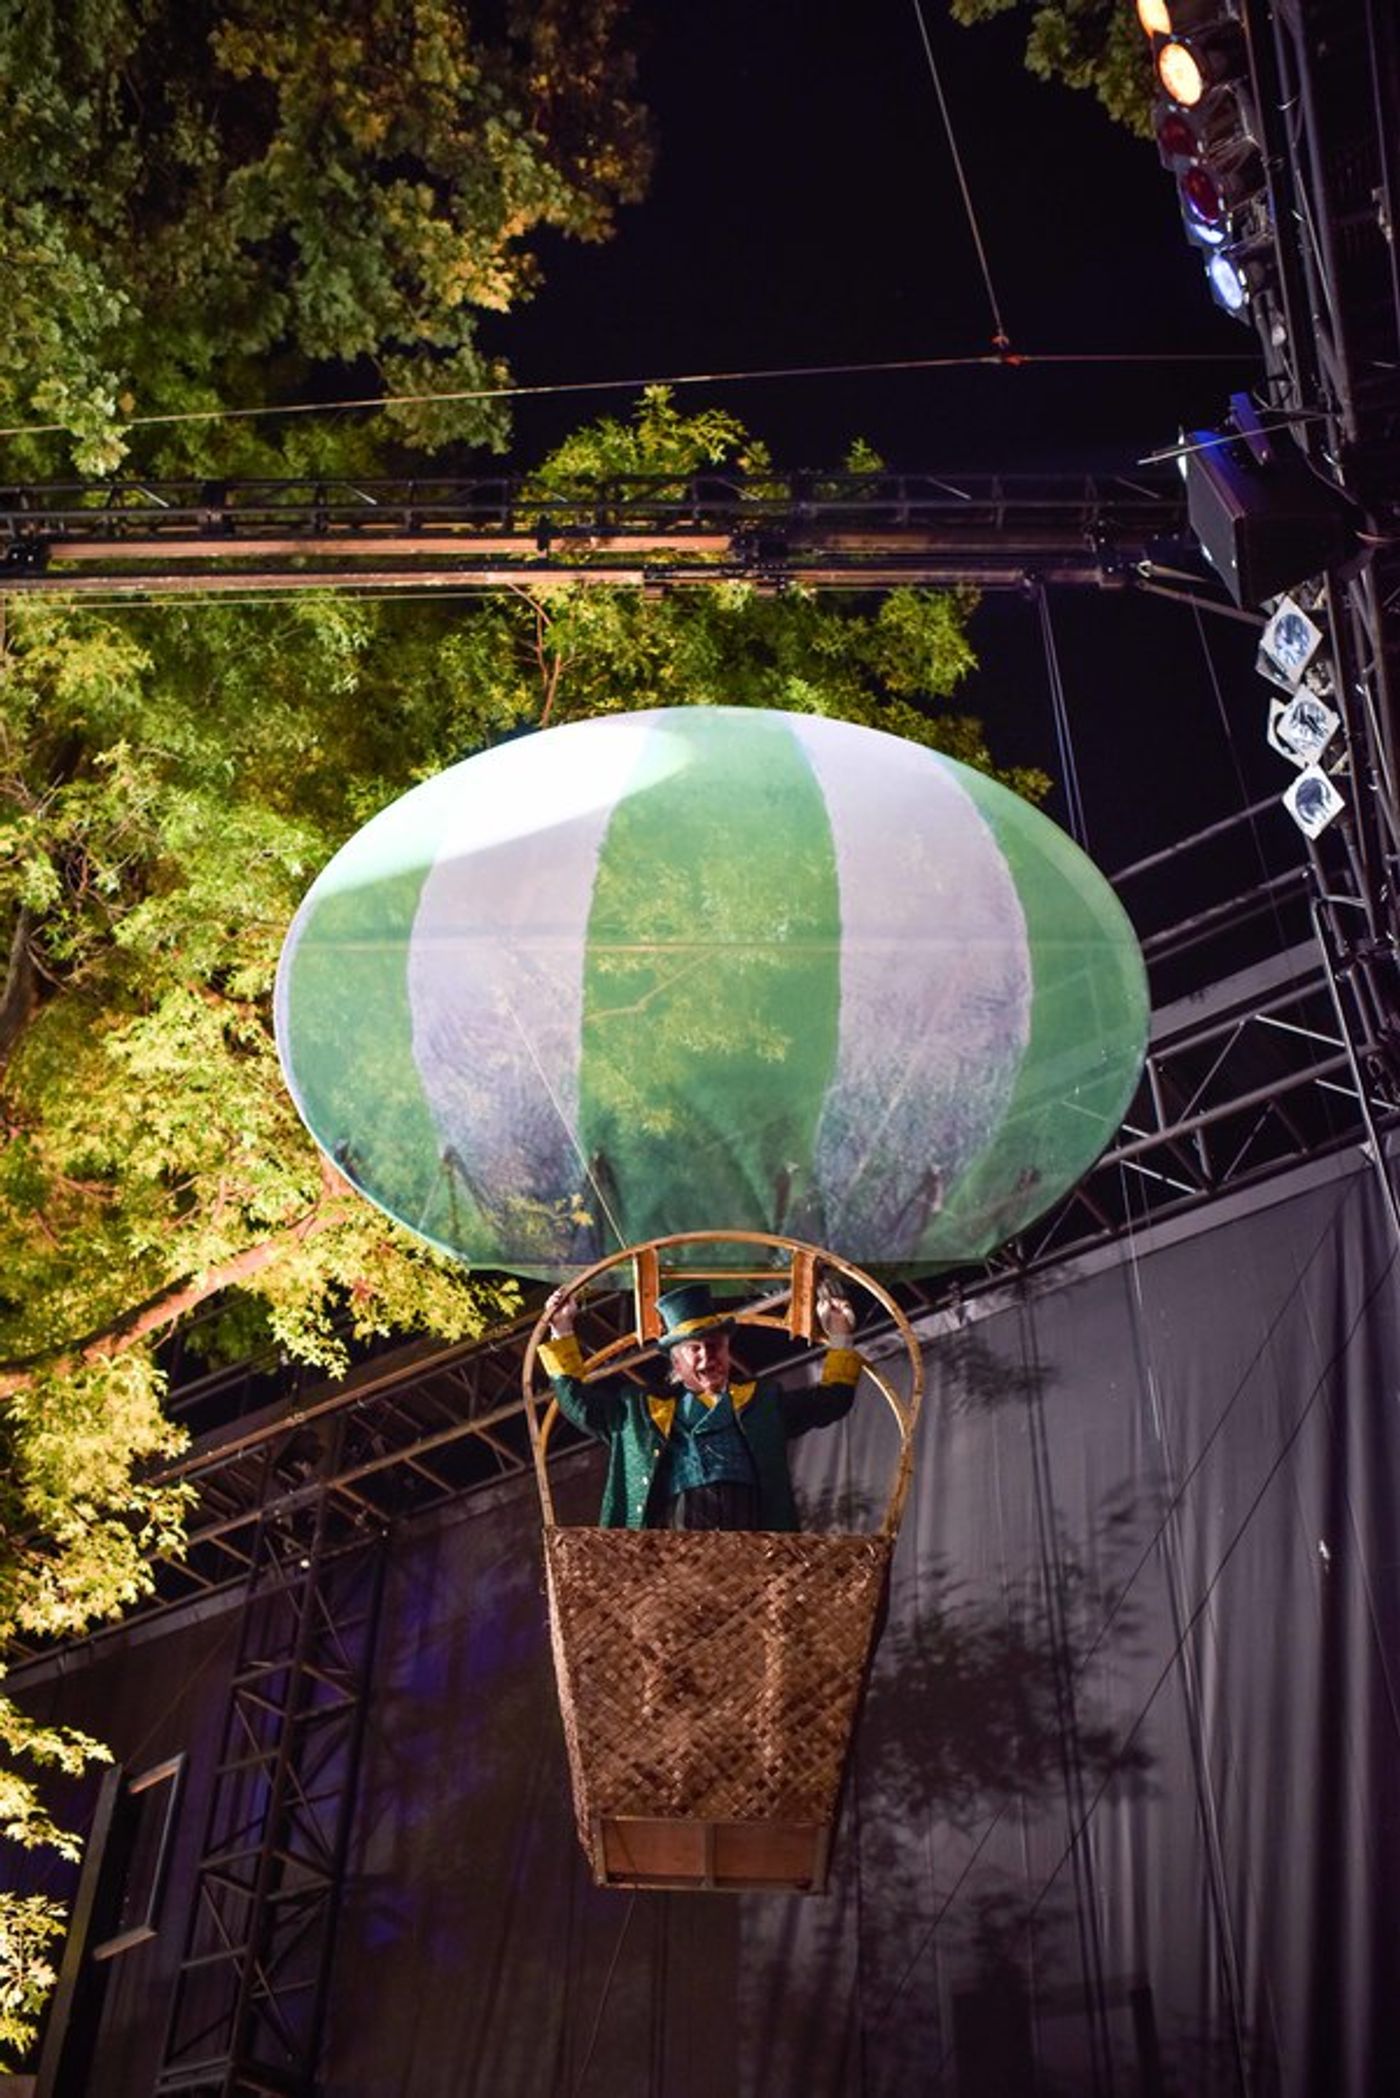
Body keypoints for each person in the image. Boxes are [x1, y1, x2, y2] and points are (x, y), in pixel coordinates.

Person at [538, 1276, 861, 1531]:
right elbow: (577, 1404)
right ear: (676, 1364)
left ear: (727, 1351)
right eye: (695, 1349)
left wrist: (840, 1335)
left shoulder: (762, 1403)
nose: (708, 1356)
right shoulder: (638, 1412)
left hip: (750, 1555)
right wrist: (562, 1328)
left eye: (715, 1345)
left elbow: (832, 1400)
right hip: (674, 1560)